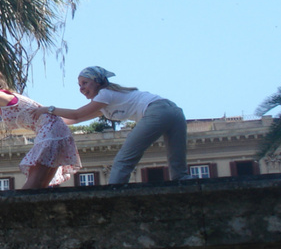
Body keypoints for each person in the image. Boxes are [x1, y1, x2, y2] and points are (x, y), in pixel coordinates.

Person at [34, 66, 189, 184]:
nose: (81, 88)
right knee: (178, 166)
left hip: (157, 112)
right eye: (79, 85)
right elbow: (76, 120)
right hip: (175, 112)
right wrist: (46, 123)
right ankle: (185, 186)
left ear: (97, 82)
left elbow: (76, 114)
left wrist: (49, 109)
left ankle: (113, 192)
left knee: (124, 159)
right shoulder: (105, 103)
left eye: (85, 83)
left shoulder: (105, 94)